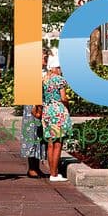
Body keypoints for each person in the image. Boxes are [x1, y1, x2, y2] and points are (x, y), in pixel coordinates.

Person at [41, 51, 73, 183]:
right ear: (55, 67)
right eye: (59, 67)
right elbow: (63, 97)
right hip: (58, 112)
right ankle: (54, 174)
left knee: (50, 143)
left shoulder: (44, 79)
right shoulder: (59, 80)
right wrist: (67, 106)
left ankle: (52, 172)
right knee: (58, 143)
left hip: (47, 111)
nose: (60, 70)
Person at [20, 49, 49, 178]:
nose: (45, 59)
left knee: (40, 138)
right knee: (32, 136)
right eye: (44, 57)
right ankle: (31, 168)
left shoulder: (44, 73)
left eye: (46, 57)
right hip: (33, 108)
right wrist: (34, 108)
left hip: (42, 107)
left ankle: (36, 167)